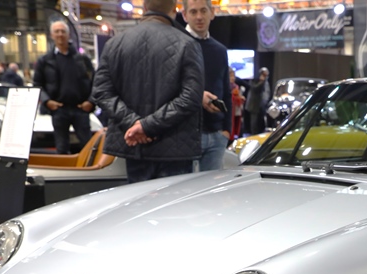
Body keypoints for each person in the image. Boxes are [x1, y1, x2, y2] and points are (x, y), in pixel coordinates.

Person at [92, 0, 203, 182]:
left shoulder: (115, 43)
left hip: (134, 144)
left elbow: (101, 92)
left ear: (144, 8)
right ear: (174, 9)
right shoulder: (188, 44)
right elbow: (191, 98)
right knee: (174, 200)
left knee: (139, 200)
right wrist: (145, 126)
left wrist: (135, 124)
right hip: (174, 147)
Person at [183, 0, 232, 172]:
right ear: (185, 15)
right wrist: (198, 96)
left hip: (216, 136)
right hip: (186, 135)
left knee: (212, 188)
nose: (199, 17)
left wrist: (226, 130)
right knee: (185, 186)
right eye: (193, 12)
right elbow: (168, 87)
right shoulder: (178, 45)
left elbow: (226, 90)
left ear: (212, 13)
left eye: (203, 11)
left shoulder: (220, 50)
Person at [34, 20, 96, 154]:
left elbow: (95, 82)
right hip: (59, 110)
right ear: (52, 35)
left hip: (80, 109)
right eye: (57, 31)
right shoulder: (45, 60)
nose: (60, 34)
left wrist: (91, 102)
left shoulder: (82, 59)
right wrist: (47, 101)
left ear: (69, 35)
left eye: (63, 31)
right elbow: (37, 85)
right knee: (61, 147)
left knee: (88, 147)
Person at [245, 67, 271, 135]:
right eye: (264, 75)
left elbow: (267, 93)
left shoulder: (266, 82)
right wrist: (262, 81)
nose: (265, 77)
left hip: (261, 106)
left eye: (266, 75)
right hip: (254, 106)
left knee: (260, 124)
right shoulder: (254, 80)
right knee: (254, 124)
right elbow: (255, 88)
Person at [229, 68, 245, 140]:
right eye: (231, 76)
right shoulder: (226, 87)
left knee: (237, 125)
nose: (233, 78)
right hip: (230, 111)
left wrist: (240, 98)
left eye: (234, 76)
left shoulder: (236, 86)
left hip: (237, 110)